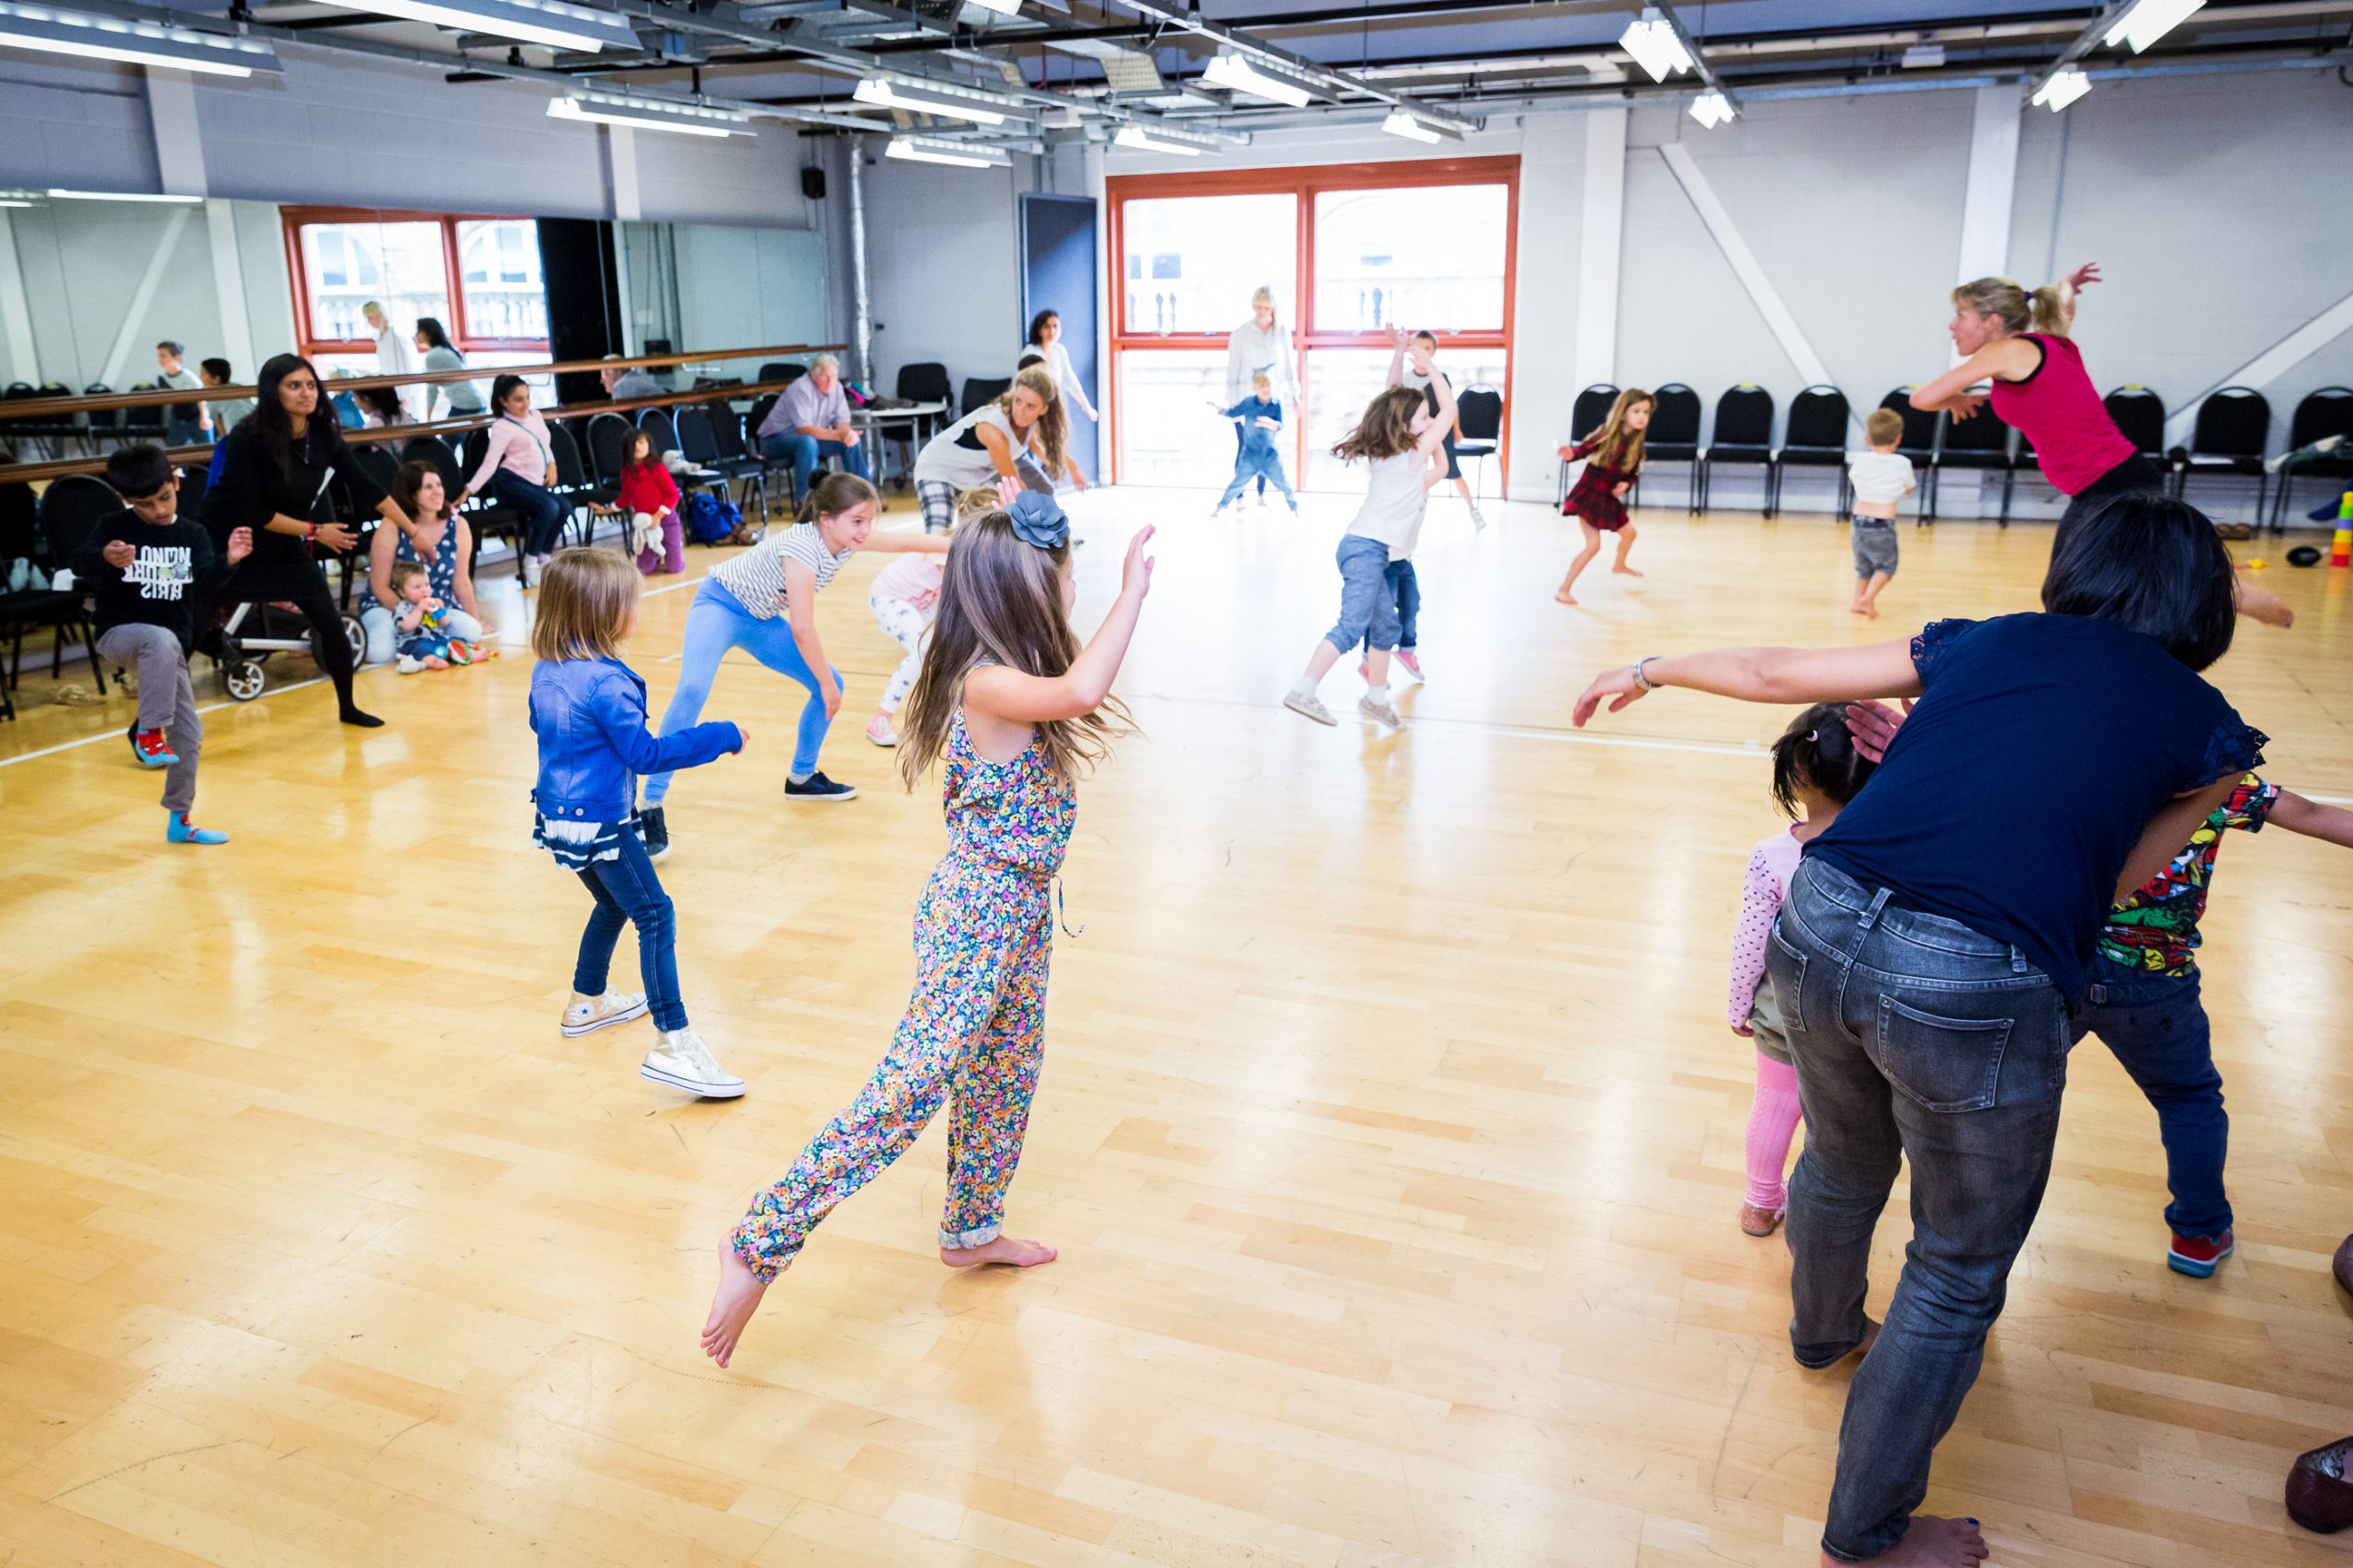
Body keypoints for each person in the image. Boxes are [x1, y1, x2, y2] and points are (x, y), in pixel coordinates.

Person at [1569, 493, 2268, 1568]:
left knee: (1842, 1162)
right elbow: (2117, 877)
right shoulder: (2213, 732)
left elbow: (1773, 674)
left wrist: (1650, 665)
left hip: (1824, 910)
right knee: (1952, 1267)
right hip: (1978, 976)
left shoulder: (1979, 643)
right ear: (2202, 600)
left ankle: (1821, 1332)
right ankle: (1865, 1539)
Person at [698, 492, 1156, 1370]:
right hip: (978, 913)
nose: (1067, 594)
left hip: (1018, 908)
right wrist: (1131, 592)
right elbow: (1083, 687)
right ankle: (756, 1243)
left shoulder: (1006, 662)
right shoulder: (988, 678)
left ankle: (971, 1227)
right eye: (1059, 580)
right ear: (1019, 592)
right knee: (909, 1092)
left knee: (1005, 1073)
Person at [1850, 699, 2353, 1279]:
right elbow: (2312, 813)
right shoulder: (2214, 780)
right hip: (2156, 986)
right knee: (2188, 1100)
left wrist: (1944, 739)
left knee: (1996, 1104)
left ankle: (1963, 1242)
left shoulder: (2073, 767)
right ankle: (2199, 1233)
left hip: (2056, 971)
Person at [529, 548, 749, 1099]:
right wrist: (718, 735)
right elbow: (644, 754)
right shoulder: (607, 682)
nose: (639, 607)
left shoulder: (546, 671)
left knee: (612, 904)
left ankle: (588, 1000)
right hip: (602, 820)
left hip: (558, 815)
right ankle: (674, 1042)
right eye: (631, 600)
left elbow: (548, 730)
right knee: (656, 915)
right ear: (603, 611)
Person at [640, 472, 950, 846]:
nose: (866, 529)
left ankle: (802, 778)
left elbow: (904, 541)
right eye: (857, 520)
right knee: (692, 689)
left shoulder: (848, 539)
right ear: (826, 518)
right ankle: (651, 803)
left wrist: (962, 544)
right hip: (719, 605)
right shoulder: (802, 549)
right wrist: (821, 680)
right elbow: (803, 628)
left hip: (759, 618)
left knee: (832, 685)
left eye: (869, 521)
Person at [1727, 705, 1876, 1238]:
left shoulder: (1772, 857)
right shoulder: (1891, 851)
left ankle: (1760, 1205)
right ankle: (1840, 1205)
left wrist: (1739, 1002)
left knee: (1774, 1104)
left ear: (1795, 772)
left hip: (1787, 1009)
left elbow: (1752, 941)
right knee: (1848, 1118)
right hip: (1867, 1014)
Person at [200, 352, 413, 727]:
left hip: (283, 543)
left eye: (311, 385)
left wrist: (414, 531)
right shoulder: (246, 439)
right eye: (294, 386)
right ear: (273, 392)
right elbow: (255, 513)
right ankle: (149, 722)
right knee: (192, 625)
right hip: (234, 541)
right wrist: (316, 531)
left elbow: (365, 485)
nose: (305, 394)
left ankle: (348, 707)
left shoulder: (323, 437)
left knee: (330, 624)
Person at [74, 444, 250, 845]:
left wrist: (231, 560)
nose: (158, 510)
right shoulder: (113, 526)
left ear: (175, 481)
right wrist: (104, 555)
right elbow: (78, 561)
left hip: (169, 649)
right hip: (120, 634)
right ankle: (148, 732)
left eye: (165, 498)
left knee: (189, 734)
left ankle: (180, 820)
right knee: (159, 637)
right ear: (125, 499)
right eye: (145, 504)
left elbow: (207, 582)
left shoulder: (192, 534)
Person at [1280, 341, 1453, 733]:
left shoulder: (1390, 455)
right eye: (1424, 418)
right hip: (1366, 550)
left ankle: (1375, 700)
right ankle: (1303, 690)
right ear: (1406, 426)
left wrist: (1398, 356)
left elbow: (1393, 400)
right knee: (1351, 624)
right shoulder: (1408, 457)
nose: (1430, 423)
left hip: (1368, 550)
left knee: (1386, 628)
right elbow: (1450, 411)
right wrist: (1429, 367)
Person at [867, 482, 994, 748]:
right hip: (891, 597)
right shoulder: (949, 548)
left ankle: (951, 719)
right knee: (924, 650)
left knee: (951, 651)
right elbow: (958, 596)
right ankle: (881, 717)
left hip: (922, 600)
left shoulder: (972, 549)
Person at [910, 366, 1085, 534]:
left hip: (976, 473)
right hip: (937, 470)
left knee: (1043, 490)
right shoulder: (995, 429)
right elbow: (1015, 485)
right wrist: (1037, 527)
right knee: (939, 533)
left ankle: (1048, 540)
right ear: (1013, 396)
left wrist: (1074, 467)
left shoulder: (1030, 424)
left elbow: (1044, 450)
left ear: (1044, 409)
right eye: (1018, 401)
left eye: (1030, 406)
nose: (1021, 411)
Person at [358, 460, 490, 666]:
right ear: (411, 495)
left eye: (439, 485)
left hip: (436, 607)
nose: (437, 492)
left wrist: (475, 619)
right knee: (381, 654)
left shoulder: (458, 526)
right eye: (428, 487)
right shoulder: (392, 527)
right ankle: (364, 636)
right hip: (390, 607)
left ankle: (420, 647)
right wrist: (412, 614)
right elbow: (379, 586)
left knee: (472, 632)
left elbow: (461, 581)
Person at [458, 374, 566, 585]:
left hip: (534, 482)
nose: (525, 404)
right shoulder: (502, 427)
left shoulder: (535, 416)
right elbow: (490, 463)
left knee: (564, 507)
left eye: (527, 397)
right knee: (549, 508)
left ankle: (545, 557)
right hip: (509, 483)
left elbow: (545, 444)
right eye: (518, 399)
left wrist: (552, 465)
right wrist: (468, 490)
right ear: (503, 401)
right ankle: (530, 562)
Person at [1555, 388, 1652, 605]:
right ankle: (1563, 589)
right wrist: (1570, 454)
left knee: (1630, 534)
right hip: (1588, 495)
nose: (1642, 416)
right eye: (1636, 411)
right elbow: (1582, 450)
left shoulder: (1636, 445)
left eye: (1646, 412)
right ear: (1623, 412)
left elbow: (1632, 473)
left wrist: (1626, 484)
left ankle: (1619, 566)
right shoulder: (1607, 435)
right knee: (1593, 545)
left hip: (1608, 498)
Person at [1391, 327, 1484, 529]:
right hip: (1416, 433)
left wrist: (1456, 429)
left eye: (1428, 347)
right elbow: (1395, 398)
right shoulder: (1407, 378)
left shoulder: (1439, 377)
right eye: (1419, 347)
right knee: (1415, 471)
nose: (1423, 350)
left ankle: (1472, 509)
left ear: (1433, 351)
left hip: (1441, 431)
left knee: (1451, 468)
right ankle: (1414, 513)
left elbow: (1451, 406)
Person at [756, 353, 872, 506]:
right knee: (807, 442)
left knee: (851, 442)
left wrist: (846, 434)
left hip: (810, 438)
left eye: (834, 376)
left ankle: (866, 496)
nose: (831, 381)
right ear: (813, 375)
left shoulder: (836, 387)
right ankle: (806, 503)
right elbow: (805, 429)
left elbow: (842, 419)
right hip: (773, 441)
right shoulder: (800, 388)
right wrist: (839, 434)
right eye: (826, 376)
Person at [1223, 287, 1299, 502]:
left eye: (1266, 307)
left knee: (1266, 447)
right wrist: (1232, 402)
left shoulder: (1282, 332)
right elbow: (1233, 368)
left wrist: (1296, 394)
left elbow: (1288, 366)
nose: (1262, 311)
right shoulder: (1241, 334)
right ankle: (1238, 494)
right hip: (1246, 400)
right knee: (1244, 447)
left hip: (1271, 401)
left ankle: (1261, 494)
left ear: (1273, 308)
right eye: (1258, 307)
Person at [1848, 409, 1915, 619]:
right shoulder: (1902, 463)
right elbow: (1909, 488)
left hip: (1858, 522)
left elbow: (1855, 479)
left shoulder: (1860, 460)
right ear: (1898, 438)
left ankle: (1856, 601)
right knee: (1886, 566)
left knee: (1864, 566)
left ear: (1867, 439)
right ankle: (1867, 598)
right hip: (1881, 524)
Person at [1207, 371, 1296, 516]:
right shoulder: (1248, 402)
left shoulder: (1276, 405)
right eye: (1262, 387)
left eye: (1268, 386)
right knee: (1237, 483)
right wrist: (1221, 409)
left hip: (1269, 454)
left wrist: (1270, 423)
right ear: (1256, 388)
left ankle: (1295, 508)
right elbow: (1232, 412)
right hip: (1250, 454)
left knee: (1283, 482)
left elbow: (1279, 426)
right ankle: (1220, 508)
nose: (1266, 390)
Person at [387, 559, 484, 672]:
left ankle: (470, 654)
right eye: (417, 587)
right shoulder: (402, 607)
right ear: (402, 592)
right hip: (413, 642)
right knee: (422, 648)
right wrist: (419, 609)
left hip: (435, 638)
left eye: (427, 585)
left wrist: (440, 610)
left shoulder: (431, 602)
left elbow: (445, 623)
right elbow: (406, 626)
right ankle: (430, 661)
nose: (424, 590)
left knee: (454, 641)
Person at [617, 428, 683, 576]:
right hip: (646, 525)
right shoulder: (626, 472)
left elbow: (673, 495)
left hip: (667, 521)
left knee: (675, 568)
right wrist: (608, 509)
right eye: (634, 443)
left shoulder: (658, 469)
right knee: (644, 570)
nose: (638, 446)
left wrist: (657, 517)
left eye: (641, 442)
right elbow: (626, 497)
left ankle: (675, 548)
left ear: (649, 446)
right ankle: (656, 555)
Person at [1023, 310, 1098, 423]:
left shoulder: (1059, 351)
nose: (1052, 331)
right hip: (1032, 408)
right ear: (1039, 330)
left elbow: (1070, 380)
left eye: (1055, 326)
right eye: (1047, 327)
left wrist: (1086, 407)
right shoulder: (1031, 352)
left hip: (1054, 407)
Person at [414, 319, 484, 422]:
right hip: (476, 401)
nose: (416, 335)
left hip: (465, 404)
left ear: (428, 334)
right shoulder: (448, 349)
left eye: (419, 331)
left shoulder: (434, 355)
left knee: (448, 437)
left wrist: (428, 419)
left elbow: (432, 391)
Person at [363, 301, 420, 419]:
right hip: (391, 391)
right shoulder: (382, 339)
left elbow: (405, 367)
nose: (369, 322)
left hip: (403, 395)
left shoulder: (396, 338)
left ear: (380, 315)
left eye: (371, 317)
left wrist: (404, 396)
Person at [155, 341, 206, 447]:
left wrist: (204, 418)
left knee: (205, 447)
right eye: (159, 356)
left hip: (196, 416)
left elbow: (202, 398)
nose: (160, 359)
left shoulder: (189, 377)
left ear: (177, 358)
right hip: (177, 417)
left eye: (164, 356)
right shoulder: (162, 377)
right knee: (173, 448)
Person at [199, 358, 253, 435]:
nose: (200, 377)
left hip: (237, 433)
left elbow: (219, 424)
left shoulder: (214, 396)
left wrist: (225, 443)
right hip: (256, 427)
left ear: (216, 379)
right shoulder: (238, 387)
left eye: (203, 374)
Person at [599, 355, 666, 403]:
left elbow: (621, 419)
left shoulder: (621, 386)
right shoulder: (637, 378)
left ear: (617, 372)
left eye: (605, 375)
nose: (601, 381)